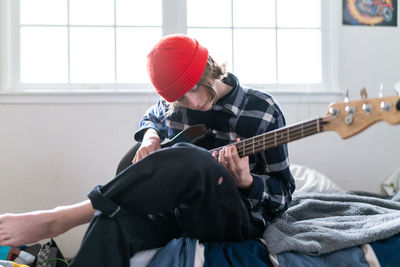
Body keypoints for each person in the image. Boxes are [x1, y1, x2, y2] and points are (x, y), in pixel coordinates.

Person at [0, 34, 295, 266]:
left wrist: (247, 181)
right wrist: (150, 136)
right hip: (177, 213)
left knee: (195, 159)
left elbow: (284, 192)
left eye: (194, 88)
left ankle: (62, 218)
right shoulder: (174, 106)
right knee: (112, 222)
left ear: (210, 67)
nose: (192, 102)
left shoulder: (263, 110)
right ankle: (91, 220)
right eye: (179, 97)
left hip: (233, 219)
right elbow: (153, 116)